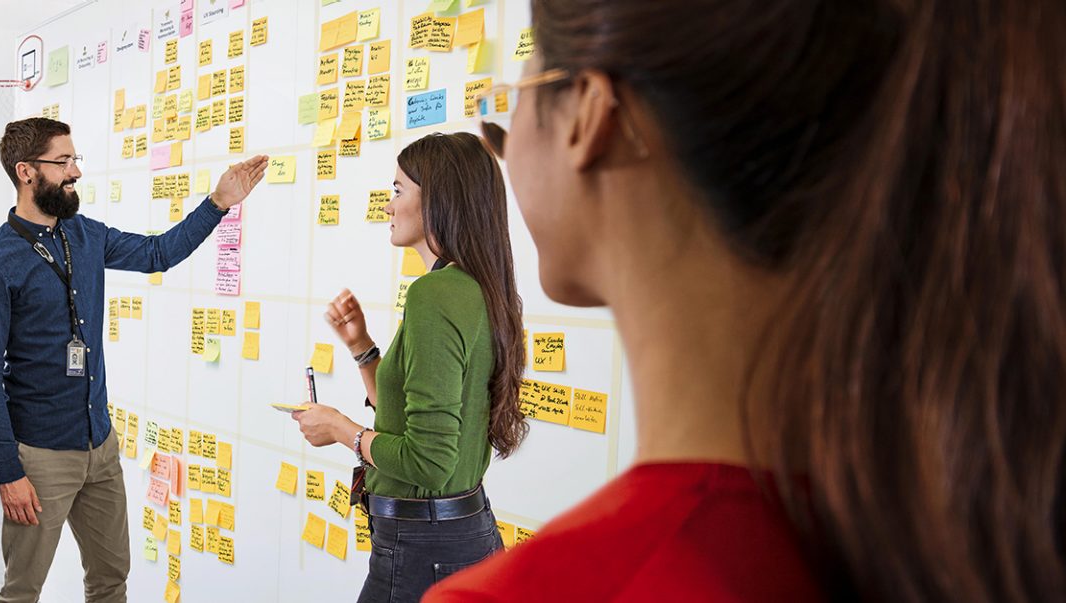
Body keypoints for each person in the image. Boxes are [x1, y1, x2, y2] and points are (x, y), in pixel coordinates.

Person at [429, 0, 1064, 601]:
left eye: (515, 97)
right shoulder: (960, 535)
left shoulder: (539, 591)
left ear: (591, 115)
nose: (503, 143)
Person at [0, 117, 269, 602]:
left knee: (110, 581)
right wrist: (8, 472)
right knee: (22, 591)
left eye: (75, 159)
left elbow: (157, 253)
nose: (75, 171)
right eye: (63, 161)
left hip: (99, 445)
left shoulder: (83, 235)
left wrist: (218, 203)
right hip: (40, 455)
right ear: (26, 171)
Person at [290, 132, 527, 601]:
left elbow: (428, 462)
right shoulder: (477, 287)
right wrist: (362, 347)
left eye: (398, 190)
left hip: (423, 550)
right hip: (464, 536)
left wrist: (340, 429)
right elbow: (409, 417)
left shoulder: (433, 294)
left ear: (438, 201)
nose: (388, 205)